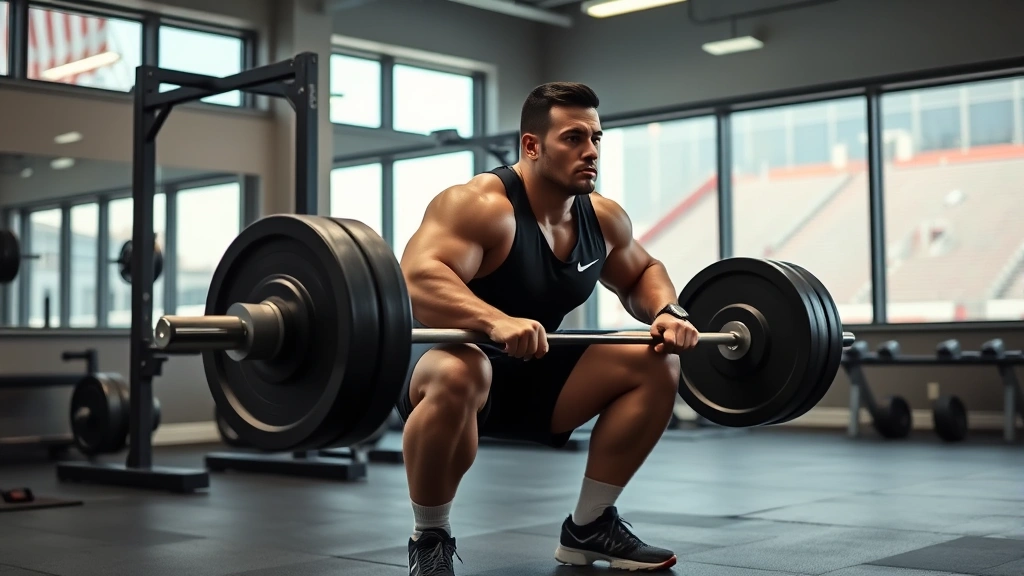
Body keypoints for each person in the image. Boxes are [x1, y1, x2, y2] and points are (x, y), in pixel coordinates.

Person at [395, 81, 699, 576]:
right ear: (532, 146)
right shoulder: (480, 205)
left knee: (654, 359)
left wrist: (668, 311)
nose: (591, 151)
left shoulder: (602, 218)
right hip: (445, 368)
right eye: (573, 138)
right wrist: (495, 321)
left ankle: (589, 527)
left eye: (596, 138)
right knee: (462, 370)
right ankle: (429, 537)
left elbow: (643, 271)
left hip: (533, 366)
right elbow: (417, 277)